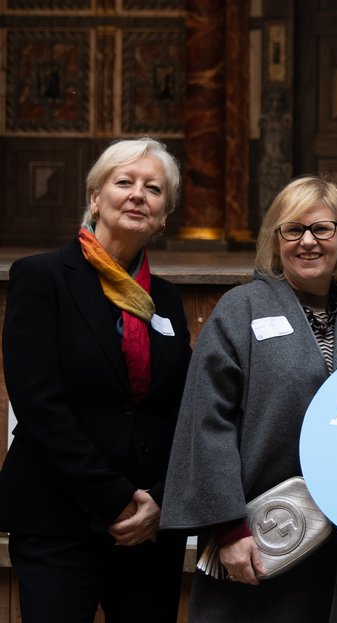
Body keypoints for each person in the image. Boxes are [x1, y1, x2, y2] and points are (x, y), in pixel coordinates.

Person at [159, 175, 337, 623]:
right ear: (275, 238)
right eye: (293, 229)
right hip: (261, 537)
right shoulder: (241, 309)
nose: (308, 242)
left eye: (322, 229)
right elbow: (207, 422)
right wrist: (227, 527)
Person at [0, 138, 192, 622]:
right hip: (59, 519)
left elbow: (181, 411)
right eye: (123, 182)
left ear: (164, 214)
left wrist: (159, 501)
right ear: (95, 197)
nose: (137, 195)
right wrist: (115, 499)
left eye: (153, 189)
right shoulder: (42, 278)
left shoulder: (165, 300)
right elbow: (40, 405)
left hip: (148, 527)